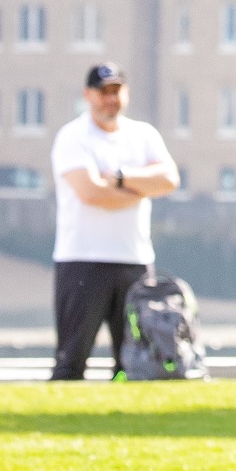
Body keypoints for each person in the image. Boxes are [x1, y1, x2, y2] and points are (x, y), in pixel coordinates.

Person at [48, 62, 179, 381]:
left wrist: (120, 178)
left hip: (135, 261)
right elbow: (91, 193)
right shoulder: (73, 136)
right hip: (82, 261)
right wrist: (141, 190)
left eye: (116, 91)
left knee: (136, 362)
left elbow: (169, 179)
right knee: (72, 361)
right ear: (87, 95)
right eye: (103, 92)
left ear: (126, 93)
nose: (110, 98)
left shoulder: (144, 135)